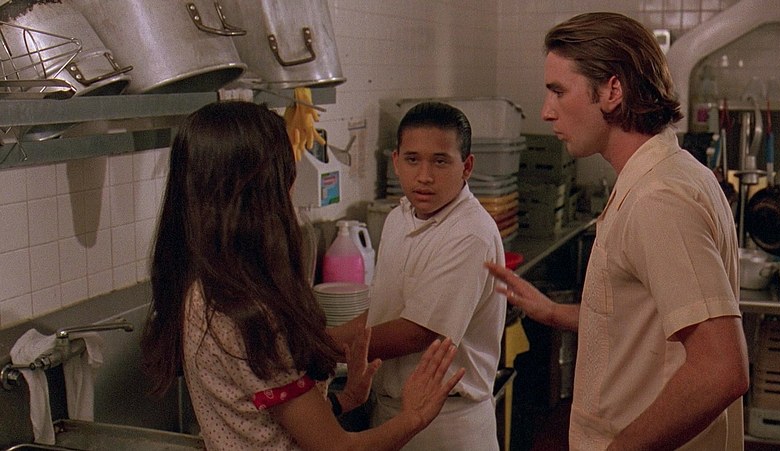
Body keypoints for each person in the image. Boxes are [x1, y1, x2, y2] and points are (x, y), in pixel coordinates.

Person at [486, 12, 749, 451]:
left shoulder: (657, 199)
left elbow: (720, 370)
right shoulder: (669, 174)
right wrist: (554, 313)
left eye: (558, 91)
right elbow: (647, 323)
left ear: (612, 91)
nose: (546, 111)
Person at [139, 100, 465, 451]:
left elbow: (263, 420)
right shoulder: (246, 313)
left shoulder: (203, 287)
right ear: (263, 190)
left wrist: (343, 400)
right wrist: (414, 416)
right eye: (286, 170)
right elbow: (338, 449)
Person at [331, 101, 507, 450]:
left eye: (440, 161)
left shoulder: (470, 233)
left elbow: (416, 332)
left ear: (466, 166)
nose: (424, 176)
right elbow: (383, 312)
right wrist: (320, 337)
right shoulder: (399, 218)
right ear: (396, 162)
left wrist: (316, 348)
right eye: (413, 160)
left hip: (446, 423)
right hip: (389, 410)